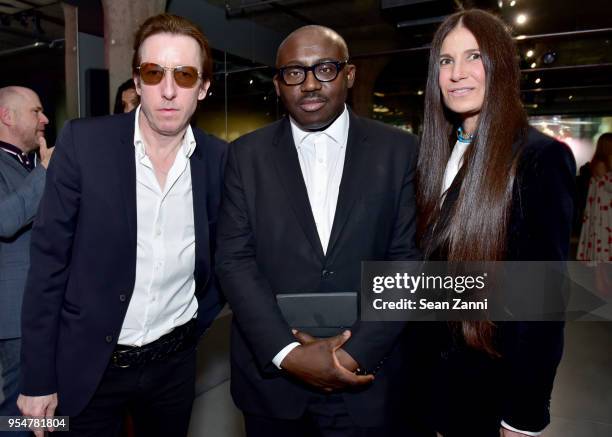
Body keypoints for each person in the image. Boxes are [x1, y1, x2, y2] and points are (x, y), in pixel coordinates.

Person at [17, 14, 226, 437]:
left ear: (204, 87)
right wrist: (38, 377)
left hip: (174, 367)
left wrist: (189, 332)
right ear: (137, 81)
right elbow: (48, 264)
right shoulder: (83, 143)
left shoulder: (220, 160)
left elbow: (222, 257)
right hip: (88, 366)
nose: (168, 90)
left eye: (185, 75)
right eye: (154, 73)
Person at [216, 25, 420, 436]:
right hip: (273, 385)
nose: (309, 84)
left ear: (349, 75)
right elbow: (233, 260)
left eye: (324, 69)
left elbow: (409, 263)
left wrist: (352, 356)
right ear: (278, 84)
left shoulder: (400, 151)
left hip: (369, 380)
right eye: (294, 72)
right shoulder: (245, 156)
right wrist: (287, 353)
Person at [415, 9, 575, 437]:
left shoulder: (538, 159)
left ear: (500, 65)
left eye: (474, 56)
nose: (457, 73)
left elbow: (542, 304)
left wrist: (522, 418)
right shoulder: (436, 155)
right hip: (427, 389)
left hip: (484, 395)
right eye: (446, 61)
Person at [0, 86, 52, 437]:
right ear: (7, 116)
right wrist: (47, 172)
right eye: (37, 111)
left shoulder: (31, 164)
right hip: (16, 318)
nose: (45, 119)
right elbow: (4, 220)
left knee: (47, 411)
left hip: (48, 310)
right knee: (19, 414)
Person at [577, 132, 612, 293]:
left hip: (602, 215)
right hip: (602, 217)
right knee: (602, 253)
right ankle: (602, 285)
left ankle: (603, 285)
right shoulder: (601, 165)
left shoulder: (600, 163)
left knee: (602, 254)